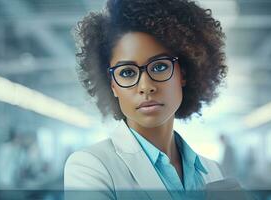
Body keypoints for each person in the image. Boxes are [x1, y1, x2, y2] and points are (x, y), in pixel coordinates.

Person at [64, 0, 228, 199]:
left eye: (159, 67)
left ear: (183, 73)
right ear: (112, 86)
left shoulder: (212, 172)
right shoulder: (90, 167)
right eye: (126, 72)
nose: (145, 86)